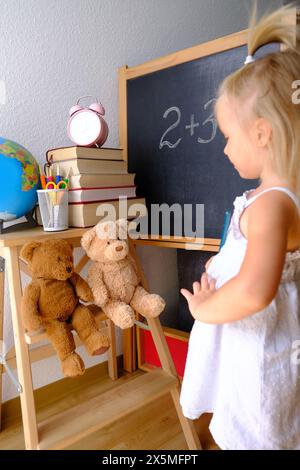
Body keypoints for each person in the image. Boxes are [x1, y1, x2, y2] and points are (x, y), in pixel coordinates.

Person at [180, 4, 300, 450]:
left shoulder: (273, 206)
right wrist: (223, 262)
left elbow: (255, 290)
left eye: (228, 136)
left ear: (263, 134)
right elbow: (253, 260)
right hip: (250, 348)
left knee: (260, 431)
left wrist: (203, 310)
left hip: (262, 354)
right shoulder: (269, 199)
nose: (225, 149)